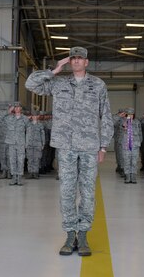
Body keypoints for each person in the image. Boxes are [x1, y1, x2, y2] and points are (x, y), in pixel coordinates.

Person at [25, 46, 113, 257]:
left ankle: (83, 234)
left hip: (90, 146)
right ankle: (69, 233)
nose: (75, 61)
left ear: (86, 62)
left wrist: (103, 146)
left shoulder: (98, 85)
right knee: (67, 190)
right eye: (72, 58)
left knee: (88, 191)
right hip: (66, 145)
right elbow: (31, 84)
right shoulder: (58, 83)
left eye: (79, 59)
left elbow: (106, 116)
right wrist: (54, 70)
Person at [4, 102, 30, 186]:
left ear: (21, 108)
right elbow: (0, 119)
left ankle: (19, 178)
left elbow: (29, 131)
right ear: (13, 109)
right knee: (12, 160)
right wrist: (8, 111)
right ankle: (13, 177)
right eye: (15, 107)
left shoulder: (25, 119)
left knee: (20, 160)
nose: (17, 108)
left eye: (18, 107)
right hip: (11, 143)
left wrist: (27, 142)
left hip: (21, 143)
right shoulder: (9, 118)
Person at [120, 108, 142, 184]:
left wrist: (140, 141)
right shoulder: (123, 121)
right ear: (126, 115)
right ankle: (127, 176)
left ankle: (133, 176)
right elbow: (120, 130)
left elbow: (139, 132)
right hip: (126, 145)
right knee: (127, 161)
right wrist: (125, 125)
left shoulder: (137, 122)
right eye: (129, 114)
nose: (130, 116)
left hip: (135, 144)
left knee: (134, 161)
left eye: (131, 114)